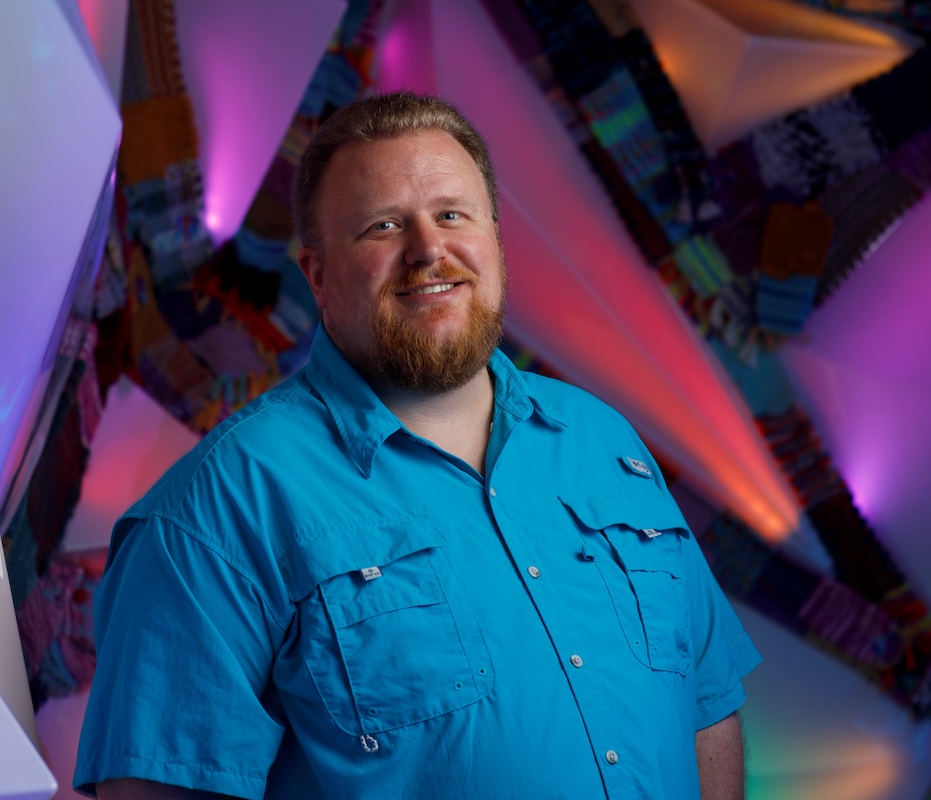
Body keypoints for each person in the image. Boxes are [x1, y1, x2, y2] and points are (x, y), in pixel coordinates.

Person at [75, 92, 761, 799]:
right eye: (383, 226)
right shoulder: (215, 513)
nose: (429, 250)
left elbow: (707, 703)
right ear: (317, 276)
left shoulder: (603, 441)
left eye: (453, 215)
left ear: (494, 238)